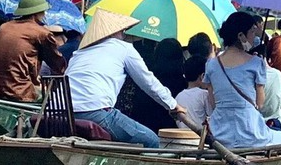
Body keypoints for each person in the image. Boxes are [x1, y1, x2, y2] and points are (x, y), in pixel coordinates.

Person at [67, 10, 189, 148]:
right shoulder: (123, 48)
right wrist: (172, 105)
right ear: (114, 32)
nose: (123, 36)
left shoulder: (79, 53)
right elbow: (148, 81)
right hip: (96, 112)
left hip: (62, 113)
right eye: (123, 32)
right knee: (152, 140)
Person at [204, 10, 281, 148]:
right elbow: (260, 103)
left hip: (219, 131)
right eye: (252, 32)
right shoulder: (256, 63)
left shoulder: (211, 64)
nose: (253, 36)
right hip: (250, 130)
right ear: (241, 35)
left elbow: (212, 102)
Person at [0, 0, 68, 102]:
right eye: (43, 11)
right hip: (20, 90)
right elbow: (57, 63)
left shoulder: (4, 27)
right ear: (37, 13)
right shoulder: (42, 33)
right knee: (53, 99)